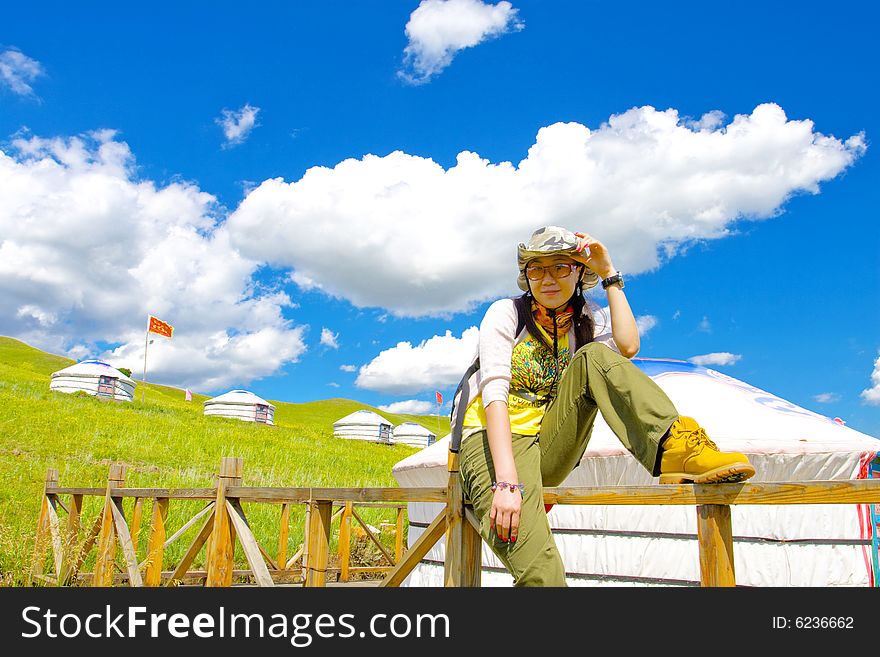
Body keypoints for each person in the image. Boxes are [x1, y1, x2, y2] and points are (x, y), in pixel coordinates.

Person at [457, 225, 755, 587]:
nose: (547, 278)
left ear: (579, 272)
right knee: (543, 576)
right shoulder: (506, 313)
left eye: (560, 267)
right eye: (537, 269)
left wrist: (609, 273)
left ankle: (675, 448)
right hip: (494, 445)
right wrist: (506, 483)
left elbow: (628, 348)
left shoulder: (585, 319)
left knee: (596, 355)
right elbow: (494, 394)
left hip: (549, 440)